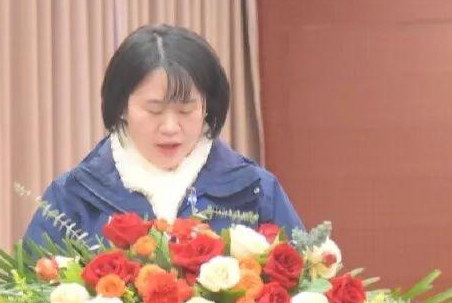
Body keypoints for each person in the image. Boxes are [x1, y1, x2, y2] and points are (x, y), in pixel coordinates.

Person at [22, 24, 303, 250]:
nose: (170, 127)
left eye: (186, 110)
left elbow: (307, 285)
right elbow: (27, 293)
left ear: (207, 108)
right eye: (154, 110)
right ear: (121, 107)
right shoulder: (74, 196)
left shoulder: (254, 190)